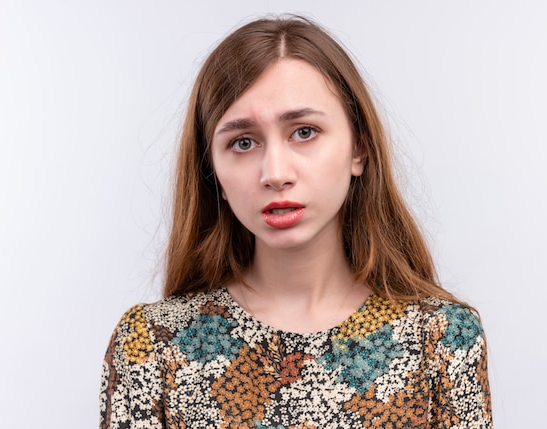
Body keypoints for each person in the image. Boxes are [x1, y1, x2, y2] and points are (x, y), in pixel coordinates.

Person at [100, 15, 492, 429]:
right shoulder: (151, 346)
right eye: (243, 142)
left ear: (359, 148)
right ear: (211, 169)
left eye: (304, 132)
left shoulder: (442, 338)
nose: (275, 172)